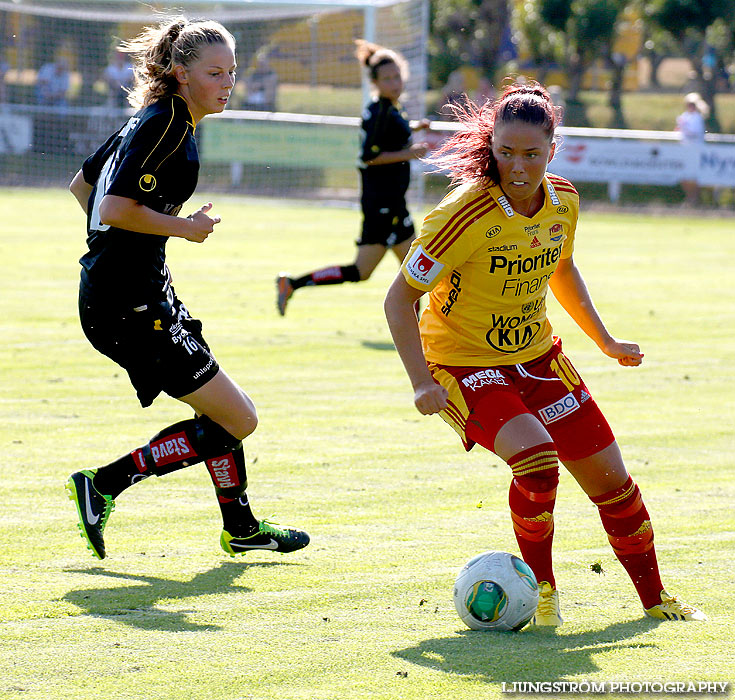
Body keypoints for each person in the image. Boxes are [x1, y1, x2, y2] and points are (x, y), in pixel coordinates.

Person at [384, 82, 706, 625]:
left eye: (531, 154)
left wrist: (605, 342)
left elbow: (562, 269)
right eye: (505, 152)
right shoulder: (464, 214)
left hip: (538, 360)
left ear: (552, 150)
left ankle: (654, 600)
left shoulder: (564, 201)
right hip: (463, 366)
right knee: (536, 461)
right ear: (492, 147)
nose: (517, 165)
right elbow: (399, 300)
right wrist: (421, 382)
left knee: (613, 483)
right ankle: (543, 595)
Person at [66, 17, 309, 560]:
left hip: (131, 293)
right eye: (214, 72)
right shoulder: (168, 123)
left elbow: (82, 185)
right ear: (180, 73)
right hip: (130, 303)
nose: (228, 83)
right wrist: (182, 228)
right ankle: (103, 483)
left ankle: (241, 527)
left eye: (232, 72)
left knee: (221, 411)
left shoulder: (153, 117)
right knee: (238, 418)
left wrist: (119, 252)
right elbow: (111, 206)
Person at [275, 40, 430, 316]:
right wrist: (409, 153)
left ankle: (292, 284)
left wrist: (414, 127)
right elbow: (369, 155)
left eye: (397, 76)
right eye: (387, 79)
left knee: (407, 271)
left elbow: (392, 134)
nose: (395, 83)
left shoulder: (393, 108)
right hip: (382, 204)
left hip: (392, 202)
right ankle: (292, 284)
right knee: (400, 271)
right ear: (375, 82)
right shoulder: (379, 111)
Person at [676, 92, 707, 206]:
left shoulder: (697, 118)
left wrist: (684, 127)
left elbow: (695, 133)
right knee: (684, 176)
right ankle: (689, 198)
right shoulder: (685, 116)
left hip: (695, 151)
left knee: (694, 176)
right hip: (685, 150)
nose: (690, 106)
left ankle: (694, 200)